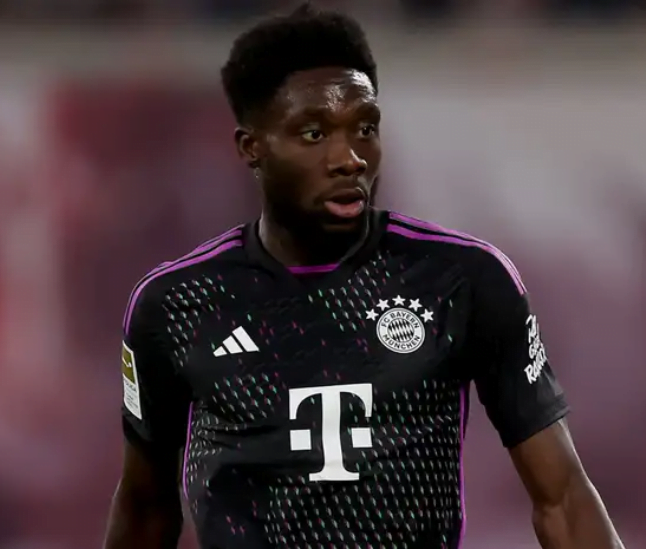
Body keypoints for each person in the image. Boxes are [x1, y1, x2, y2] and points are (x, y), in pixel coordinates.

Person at [103, 4, 624, 548]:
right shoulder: (176, 304)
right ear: (251, 147)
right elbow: (145, 508)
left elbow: (563, 499)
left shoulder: (461, 280)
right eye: (314, 133)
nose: (349, 158)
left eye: (365, 128)